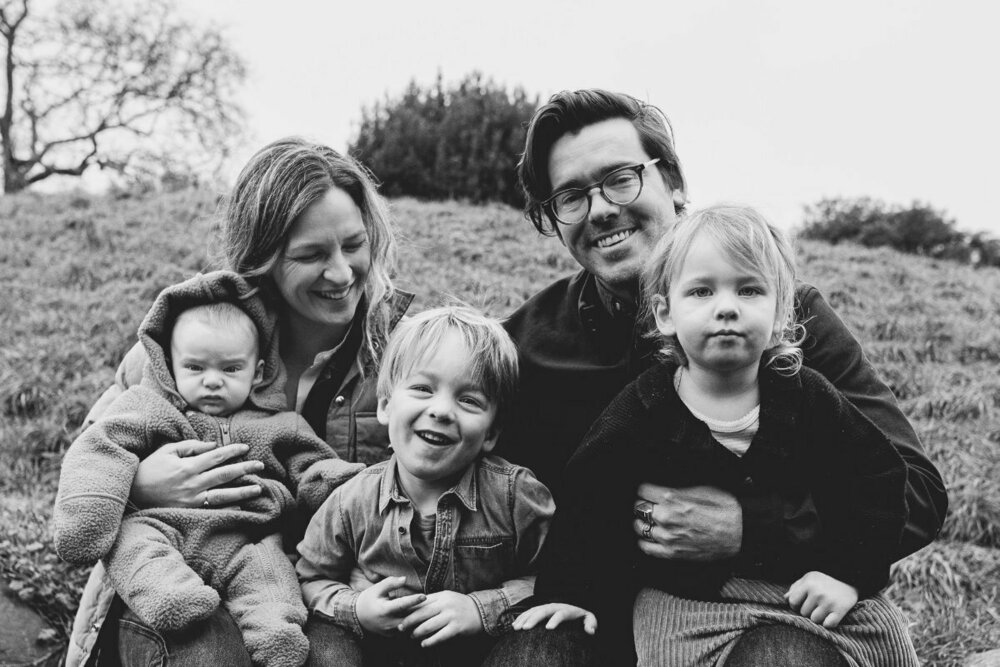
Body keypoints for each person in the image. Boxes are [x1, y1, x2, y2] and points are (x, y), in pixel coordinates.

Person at [495, 89, 948, 664]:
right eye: (572, 196)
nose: (602, 208)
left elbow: (914, 490)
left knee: (778, 656)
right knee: (534, 653)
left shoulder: (789, 329)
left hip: (767, 613)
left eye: (620, 179)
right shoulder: (525, 346)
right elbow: (462, 480)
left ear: (673, 180)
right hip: (598, 625)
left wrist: (753, 529)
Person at [65, 138, 414, 667]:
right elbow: (90, 464)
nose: (342, 273)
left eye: (354, 244)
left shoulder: (402, 354)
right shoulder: (173, 351)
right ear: (262, 258)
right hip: (170, 573)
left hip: (313, 592)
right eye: (311, 255)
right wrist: (139, 486)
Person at [55, 271, 361, 667]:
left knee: (270, 576)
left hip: (247, 538)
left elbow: (313, 469)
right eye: (196, 368)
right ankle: (168, 594)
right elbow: (100, 449)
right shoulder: (149, 409)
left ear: (260, 372)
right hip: (161, 526)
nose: (212, 382)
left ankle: (276, 636)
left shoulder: (280, 425)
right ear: (169, 365)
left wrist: (350, 486)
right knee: (137, 547)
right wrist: (95, 510)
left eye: (230, 369)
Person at [296, 306, 555, 667]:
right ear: (385, 405)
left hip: (481, 653)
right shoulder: (351, 500)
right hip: (380, 652)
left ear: (491, 434)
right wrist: (357, 608)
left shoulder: (515, 496)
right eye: (422, 388)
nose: (442, 410)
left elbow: (557, 577)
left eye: (468, 400)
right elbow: (310, 577)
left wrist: (480, 609)